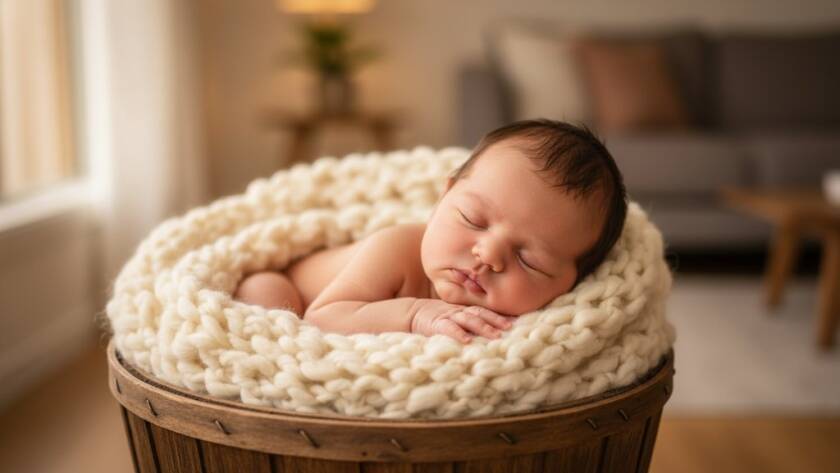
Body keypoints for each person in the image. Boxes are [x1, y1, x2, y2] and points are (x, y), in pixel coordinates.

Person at [234, 119, 627, 343]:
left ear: (571, 283)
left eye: (529, 260)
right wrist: (417, 313)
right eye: (473, 219)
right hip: (300, 295)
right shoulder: (397, 248)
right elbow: (323, 318)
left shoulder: (534, 324)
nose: (488, 255)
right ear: (444, 197)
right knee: (264, 294)